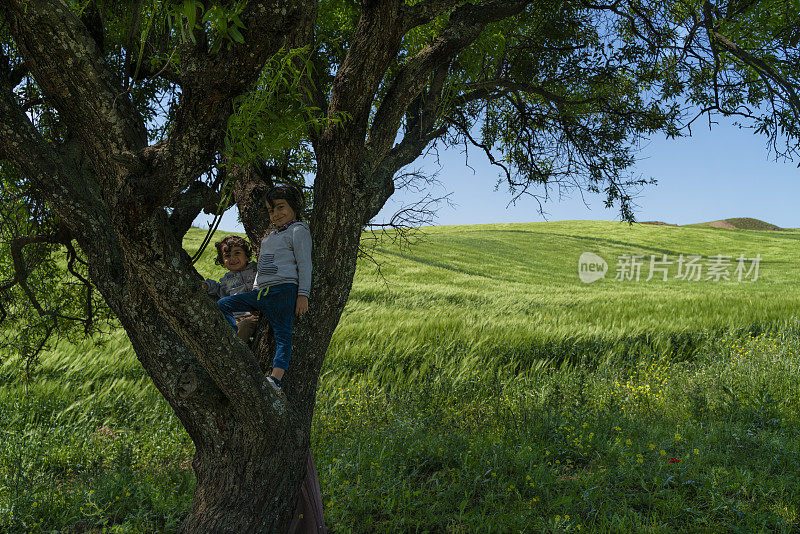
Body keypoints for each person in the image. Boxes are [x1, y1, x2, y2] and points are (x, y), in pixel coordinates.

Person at [216, 184, 311, 393]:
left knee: (283, 336)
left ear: (294, 205)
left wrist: (303, 294)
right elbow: (262, 270)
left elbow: (304, 264)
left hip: (284, 291)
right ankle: (235, 340)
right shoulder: (270, 237)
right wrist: (256, 292)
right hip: (262, 293)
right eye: (271, 210)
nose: (275, 214)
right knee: (223, 304)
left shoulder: (299, 230)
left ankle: (275, 379)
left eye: (280, 207)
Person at [202, 236, 259, 342]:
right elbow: (218, 289)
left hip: (254, 317)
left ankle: (240, 354)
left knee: (245, 326)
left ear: (247, 256)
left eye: (237, 253)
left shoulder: (256, 269)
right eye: (227, 256)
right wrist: (207, 285)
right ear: (223, 261)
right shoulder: (226, 280)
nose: (232, 258)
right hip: (236, 320)